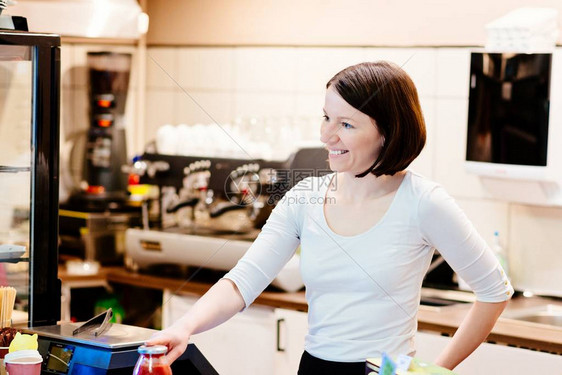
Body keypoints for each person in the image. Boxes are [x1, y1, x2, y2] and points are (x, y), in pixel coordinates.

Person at [146, 61, 513, 374]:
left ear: (387, 132)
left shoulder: (424, 203)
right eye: (326, 117)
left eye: (346, 125)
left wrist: (436, 370)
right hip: (313, 368)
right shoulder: (304, 198)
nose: (326, 135)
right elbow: (243, 282)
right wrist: (185, 327)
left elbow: (495, 292)